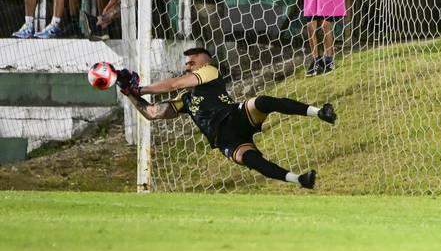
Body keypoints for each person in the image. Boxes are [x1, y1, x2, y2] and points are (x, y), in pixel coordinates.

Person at [116, 47, 335, 189]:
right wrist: (130, 93)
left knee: (263, 102)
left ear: (203, 62)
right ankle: (300, 180)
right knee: (252, 160)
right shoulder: (186, 99)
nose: (187, 65)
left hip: (235, 116)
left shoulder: (210, 71)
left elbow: (175, 83)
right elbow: (152, 113)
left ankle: (319, 112)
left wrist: (140, 88)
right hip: (225, 140)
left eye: (191, 62)